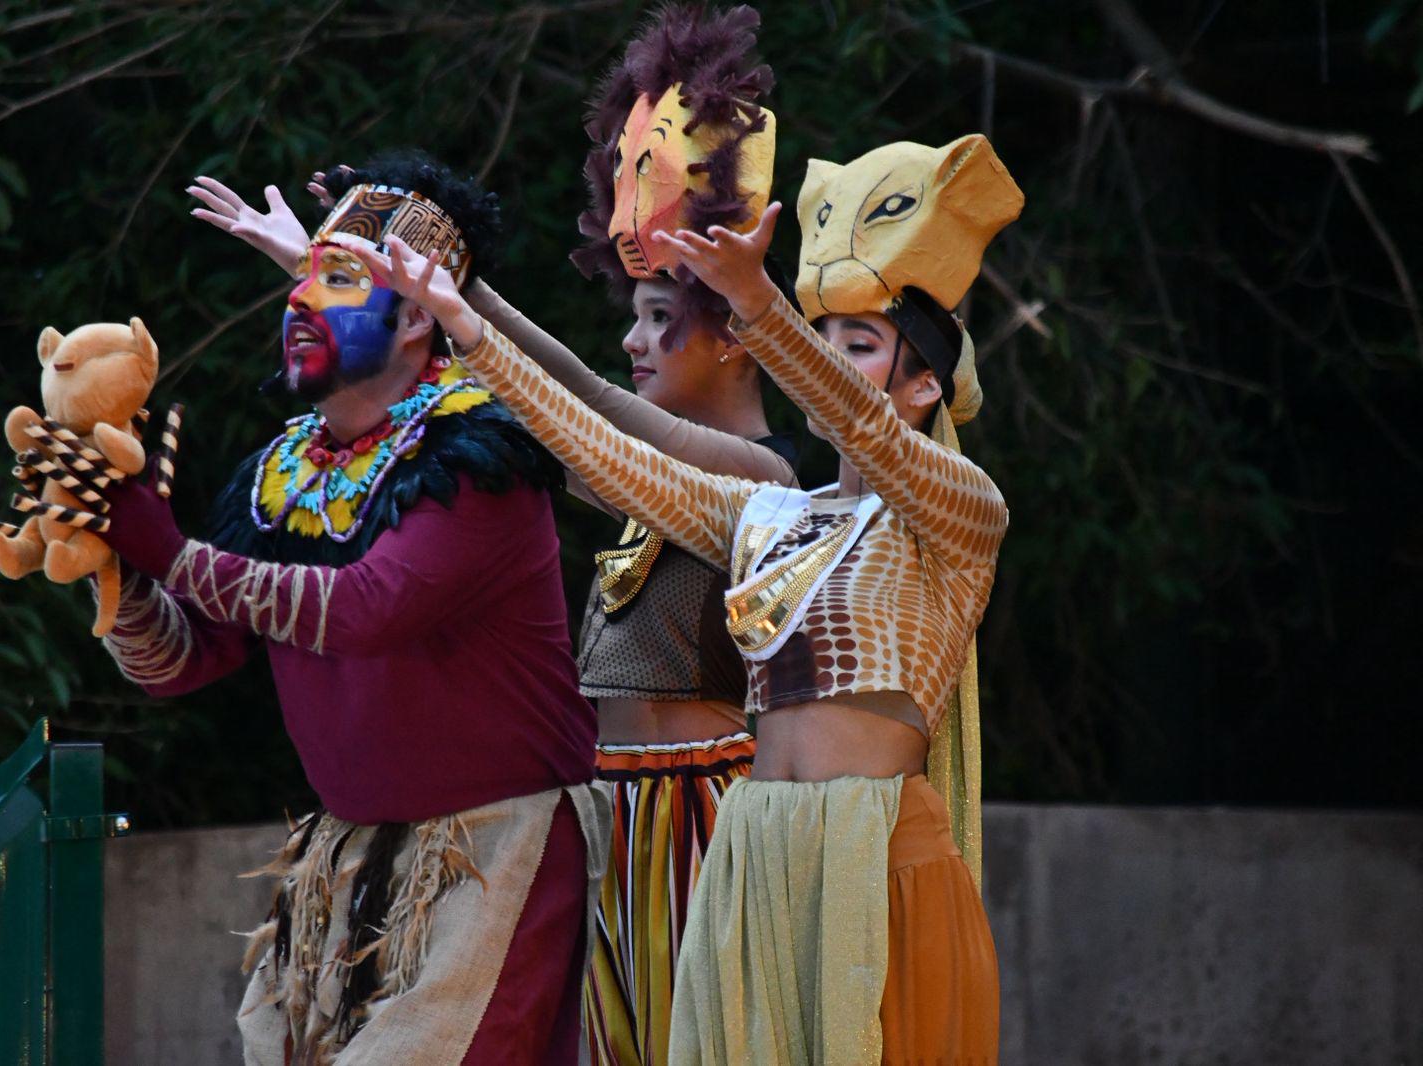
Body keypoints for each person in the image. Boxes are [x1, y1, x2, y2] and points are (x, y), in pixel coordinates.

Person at [186, 9, 799, 1061]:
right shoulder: (596, 466)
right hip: (619, 842)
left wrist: (444, 291)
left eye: (664, 317)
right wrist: (371, 273)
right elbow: (468, 395)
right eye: (636, 312)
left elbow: (580, 407)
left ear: (741, 339)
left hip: (703, 844)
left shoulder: (763, 482)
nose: (632, 337)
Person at [353, 131, 1024, 1064]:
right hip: (748, 851)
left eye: (859, 345)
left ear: (922, 388)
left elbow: (856, 422)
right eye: (822, 339)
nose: (831, 361)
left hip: (872, 856)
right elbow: (599, 447)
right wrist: (462, 325)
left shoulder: (959, 514)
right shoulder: (765, 512)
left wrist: (760, 305)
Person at [88, 152, 608, 1064]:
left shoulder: (478, 457)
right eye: (300, 279)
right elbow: (189, 661)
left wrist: (167, 550)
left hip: (499, 855)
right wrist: (110, 568)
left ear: (416, 317)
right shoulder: (287, 467)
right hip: (347, 863)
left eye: (334, 281)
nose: (295, 300)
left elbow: (364, 610)